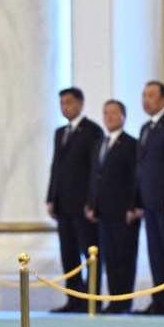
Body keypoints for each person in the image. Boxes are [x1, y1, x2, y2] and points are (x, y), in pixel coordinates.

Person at [46, 87, 103, 313]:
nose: (65, 107)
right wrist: (51, 197)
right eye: (62, 103)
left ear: (80, 103)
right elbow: (56, 167)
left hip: (83, 205)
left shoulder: (92, 131)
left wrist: (92, 201)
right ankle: (73, 298)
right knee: (68, 253)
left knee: (89, 253)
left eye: (69, 102)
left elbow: (95, 170)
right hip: (63, 204)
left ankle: (91, 298)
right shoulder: (60, 132)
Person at [134, 80, 164, 315]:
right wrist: (138, 201)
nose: (146, 100)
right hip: (149, 201)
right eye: (144, 95)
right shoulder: (146, 128)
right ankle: (158, 298)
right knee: (155, 253)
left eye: (151, 95)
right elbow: (141, 167)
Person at [84, 100, 139, 313]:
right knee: (110, 258)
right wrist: (91, 204)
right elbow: (94, 176)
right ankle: (113, 300)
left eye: (114, 113)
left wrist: (133, 206)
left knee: (125, 257)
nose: (109, 117)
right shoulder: (100, 143)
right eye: (105, 112)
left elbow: (136, 178)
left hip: (123, 211)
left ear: (123, 116)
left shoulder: (131, 144)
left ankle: (123, 301)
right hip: (103, 211)